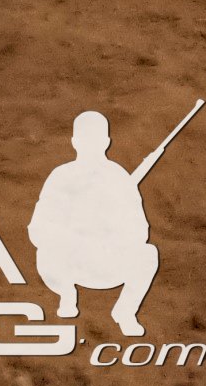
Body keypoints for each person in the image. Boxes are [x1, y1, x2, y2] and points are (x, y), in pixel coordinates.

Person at [29, 110, 166, 337]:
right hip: (69, 264)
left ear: (106, 142)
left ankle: (125, 311)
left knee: (148, 254)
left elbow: (140, 231)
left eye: (94, 140)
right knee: (45, 252)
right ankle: (66, 294)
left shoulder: (120, 178)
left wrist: (110, 230)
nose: (90, 145)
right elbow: (37, 229)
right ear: (74, 142)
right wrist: (73, 235)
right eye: (85, 140)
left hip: (108, 263)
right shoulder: (60, 176)